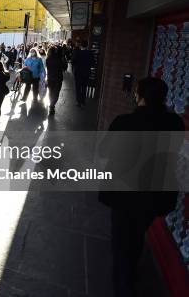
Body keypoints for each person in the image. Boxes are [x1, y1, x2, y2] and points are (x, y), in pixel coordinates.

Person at [98, 77, 185, 297]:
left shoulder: (124, 122)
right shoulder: (175, 123)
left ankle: (124, 288)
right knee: (137, 234)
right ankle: (130, 269)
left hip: (124, 193)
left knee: (121, 243)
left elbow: (105, 151)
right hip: (156, 193)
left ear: (141, 96)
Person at [72, 40, 92, 108]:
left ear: (81, 45)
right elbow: (93, 63)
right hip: (86, 73)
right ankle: (83, 102)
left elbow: (73, 62)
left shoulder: (78, 53)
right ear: (87, 45)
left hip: (78, 73)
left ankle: (78, 102)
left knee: (78, 88)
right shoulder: (90, 53)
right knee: (84, 88)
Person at [45, 46, 65, 116]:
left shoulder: (48, 59)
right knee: (56, 93)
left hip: (50, 78)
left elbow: (48, 68)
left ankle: (51, 104)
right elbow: (65, 67)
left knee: (50, 92)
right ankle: (52, 105)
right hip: (58, 78)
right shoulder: (60, 59)